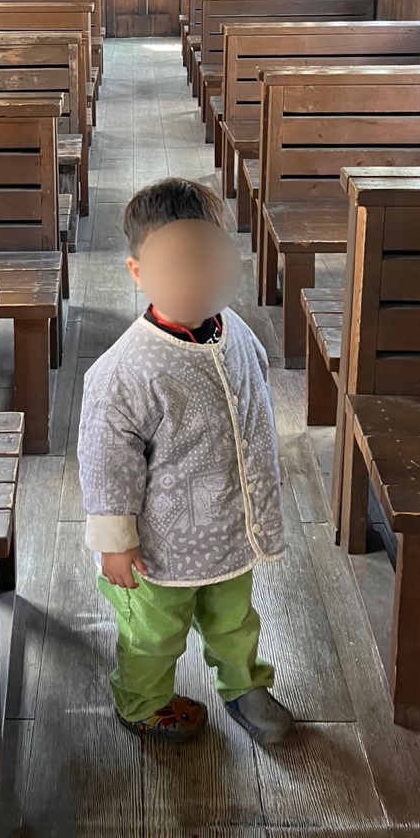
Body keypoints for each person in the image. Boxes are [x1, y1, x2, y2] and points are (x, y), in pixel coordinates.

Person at [78, 176, 294, 746]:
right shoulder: (125, 371)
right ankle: (142, 701)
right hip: (159, 549)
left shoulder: (238, 334)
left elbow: (256, 406)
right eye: (177, 266)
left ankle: (244, 684)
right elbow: (106, 463)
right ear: (139, 273)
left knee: (235, 620)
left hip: (228, 529)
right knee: (153, 633)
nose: (196, 280)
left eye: (207, 262)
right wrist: (116, 542)